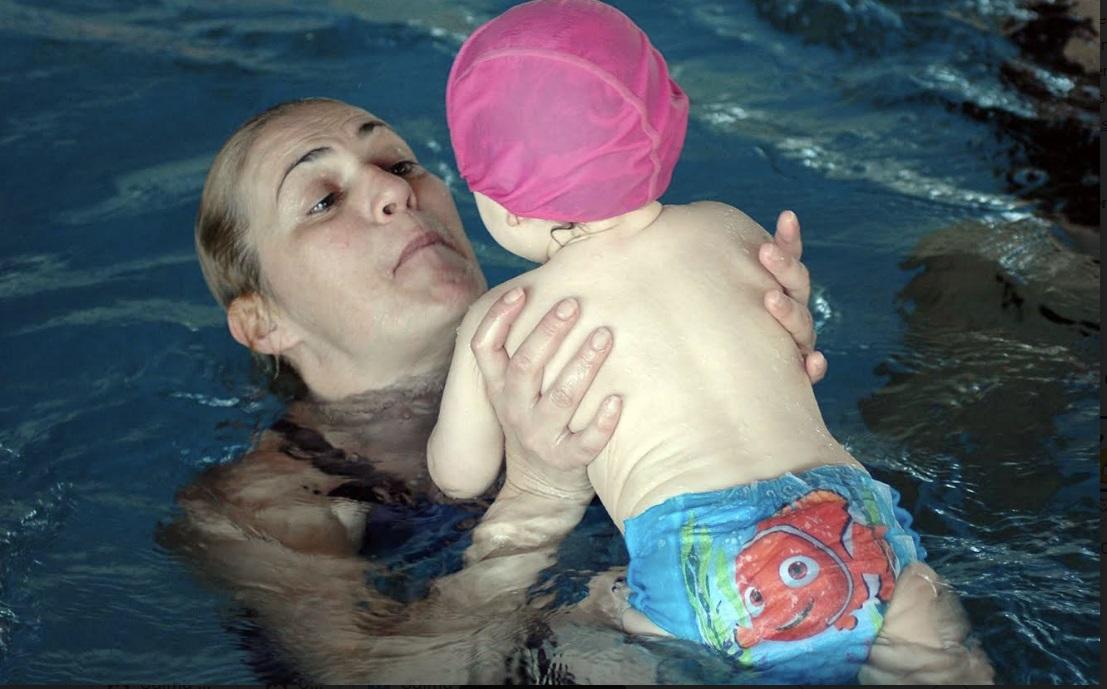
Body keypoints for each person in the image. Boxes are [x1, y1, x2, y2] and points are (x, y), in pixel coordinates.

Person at [162, 94, 827, 683]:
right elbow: (372, 674)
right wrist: (536, 497)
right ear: (261, 319)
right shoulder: (262, 504)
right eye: (323, 199)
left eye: (398, 164)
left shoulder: (596, 328)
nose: (395, 192)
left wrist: (759, 363)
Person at [428, 0, 993, 683]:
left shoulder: (503, 315)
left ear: (498, 200)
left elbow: (457, 475)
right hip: (849, 518)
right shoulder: (731, 227)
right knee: (936, 656)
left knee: (569, 624)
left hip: (703, 567)